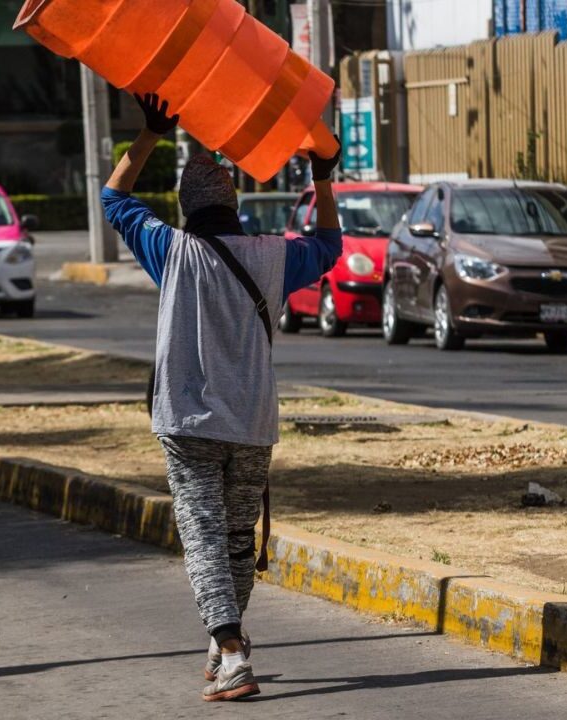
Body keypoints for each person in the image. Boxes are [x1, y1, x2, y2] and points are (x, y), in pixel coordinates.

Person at [102, 93, 342, 702]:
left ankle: (232, 651)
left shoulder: (171, 251)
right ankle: (225, 640)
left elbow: (114, 199)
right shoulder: (271, 258)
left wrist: (152, 134)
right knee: (236, 538)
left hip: (187, 423)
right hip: (253, 422)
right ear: (232, 203)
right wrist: (320, 175)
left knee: (204, 535)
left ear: (187, 209)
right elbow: (330, 244)